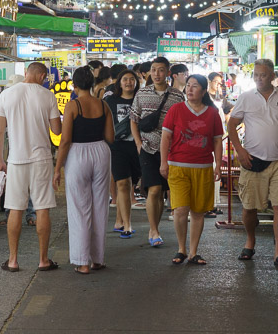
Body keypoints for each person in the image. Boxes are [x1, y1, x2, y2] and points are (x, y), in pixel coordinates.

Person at [227, 58, 278, 268]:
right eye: (256, 75)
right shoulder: (246, 97)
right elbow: (232, 125)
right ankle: (250, 241)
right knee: (249, 208)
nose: (259, 78)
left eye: (263, 75)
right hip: (252, 160)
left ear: (272, 76)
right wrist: (240, 151)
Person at [0, 62, 62, 272]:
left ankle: (13, 260)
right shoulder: (47, 95)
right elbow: (57, 130)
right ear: (42, 75)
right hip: (41, 159)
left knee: (15, 208)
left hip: (16, 159)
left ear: (26, 73)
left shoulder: (6, 95)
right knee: (42, 208)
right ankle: (43, 260)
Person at [54, 67, 115, 274]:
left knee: (79, 208)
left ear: (75, 85)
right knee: (100, 206)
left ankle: (82, 262)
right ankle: (98, 259)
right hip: (101, 152)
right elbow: (110, 137)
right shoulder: (103, 105)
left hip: (78, 153)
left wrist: (57, 169)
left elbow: (65, 141)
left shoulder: (73, 105)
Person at [160, 74, 224, 266]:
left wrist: (218, 164)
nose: (190, 89)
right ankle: (181, 248)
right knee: (180, 209)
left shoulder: (212, 113)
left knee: (198, 211)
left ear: (204, 91)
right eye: (188, 86)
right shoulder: (176, 110)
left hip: (203, 167)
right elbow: (165, 138)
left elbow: (217, 140)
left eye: (195, 86)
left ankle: (193, 252)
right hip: (178, 166)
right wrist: (164, 163)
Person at [130, 56, 184, 248]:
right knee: (153, 189)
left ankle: (156, 226)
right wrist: (138, 143)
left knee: (161, 190)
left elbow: (181, 123)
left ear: (168, 72)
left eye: (161, 70)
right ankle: (153, 230)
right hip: (147, 147)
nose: (157, 74)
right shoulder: (142, 93)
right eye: (153, 70)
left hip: (170, 151)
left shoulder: (177, 96)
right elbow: (134, 119)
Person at [104, 68, 141, 237]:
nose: (128, 82)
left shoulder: (140, 100)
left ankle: (119, 220)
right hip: (117, 146)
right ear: (119, 82)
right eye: (125, 79)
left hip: (137, 146)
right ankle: (127, 225)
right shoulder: (110, 101)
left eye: (131, 79)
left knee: (130, 183)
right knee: (123, 184)